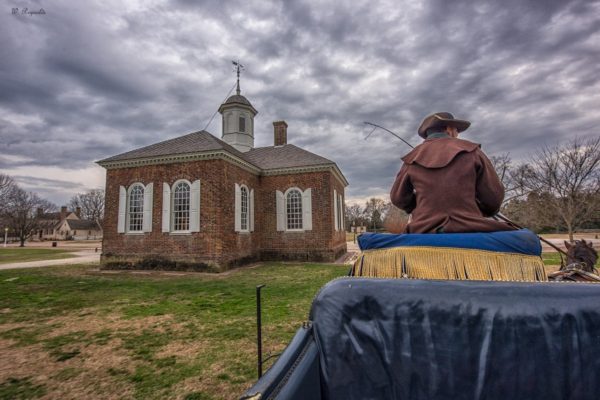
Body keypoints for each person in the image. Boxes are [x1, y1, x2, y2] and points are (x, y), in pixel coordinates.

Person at [390, 112, 513, 233]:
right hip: (471, 227)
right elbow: (493, 198)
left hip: (423, 229)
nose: (457, 134)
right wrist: (478, 210)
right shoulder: (472, 151)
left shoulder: (412, 158)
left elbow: (398, 198)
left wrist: (419, 208)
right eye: (457, 130)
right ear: (449, 129)